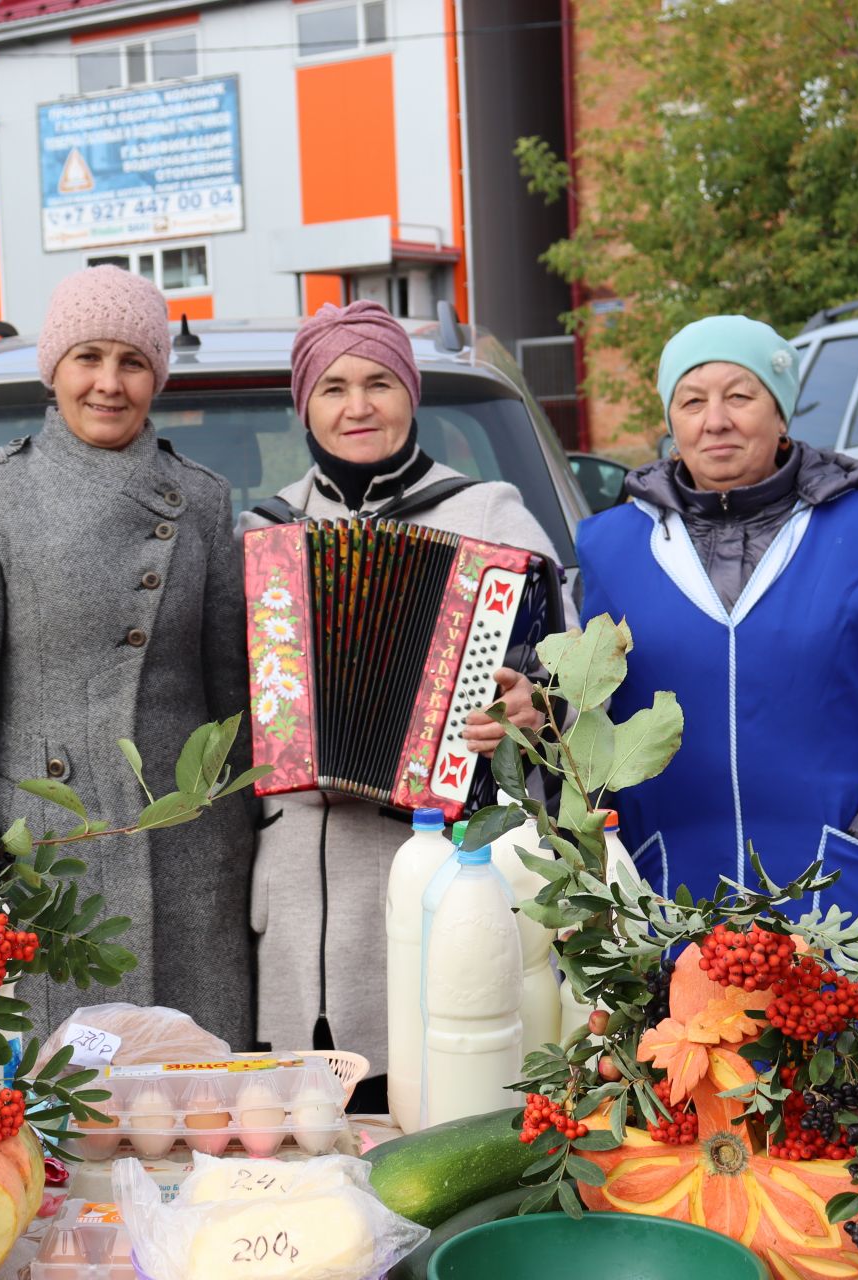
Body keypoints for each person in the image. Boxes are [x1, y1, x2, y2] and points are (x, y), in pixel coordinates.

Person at [577, 314, 858, 995]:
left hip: (844, 896)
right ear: (671, 422)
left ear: (782, 414)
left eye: (741, 395)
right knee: (686, 1088)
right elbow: (573, 715)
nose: (716, 420)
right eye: (692, 402)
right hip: (663, 901)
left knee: (849, 1094)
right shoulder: (608, 550)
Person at [0, 266, 256, 1046]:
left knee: (188, 1110)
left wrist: (234, 827)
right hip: (46, 857)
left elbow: (229, 697)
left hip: (187, 861)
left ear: (157, 378)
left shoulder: (202, 498)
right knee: (59, 1120)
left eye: (133, 362)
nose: (109, 383)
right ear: (54, 369)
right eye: (88, 358)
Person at [238, 299, 571, 1083]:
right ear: (305, 406)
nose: (358, 406)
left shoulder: (490, 516)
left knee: (438, 1094)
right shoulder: (263, 533)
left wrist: (536, 704)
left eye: (379, 382)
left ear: (410, 395)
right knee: (313, 1132)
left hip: (446, 878)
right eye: (333, 387)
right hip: (299, 904)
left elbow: (562, 682)